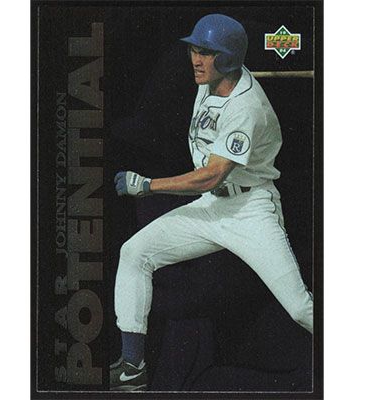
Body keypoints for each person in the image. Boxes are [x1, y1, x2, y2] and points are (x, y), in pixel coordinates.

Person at [109, 13, 313, 391]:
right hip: (211, 206)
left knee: (300, 307)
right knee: (135, 252)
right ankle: (133, 365)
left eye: (205, 52)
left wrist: (148, 185)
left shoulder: (246, 108)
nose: (195, 59)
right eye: (194, 50)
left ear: (228, 58)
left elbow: (212, 174)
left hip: (250, 211)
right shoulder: (210, 82)